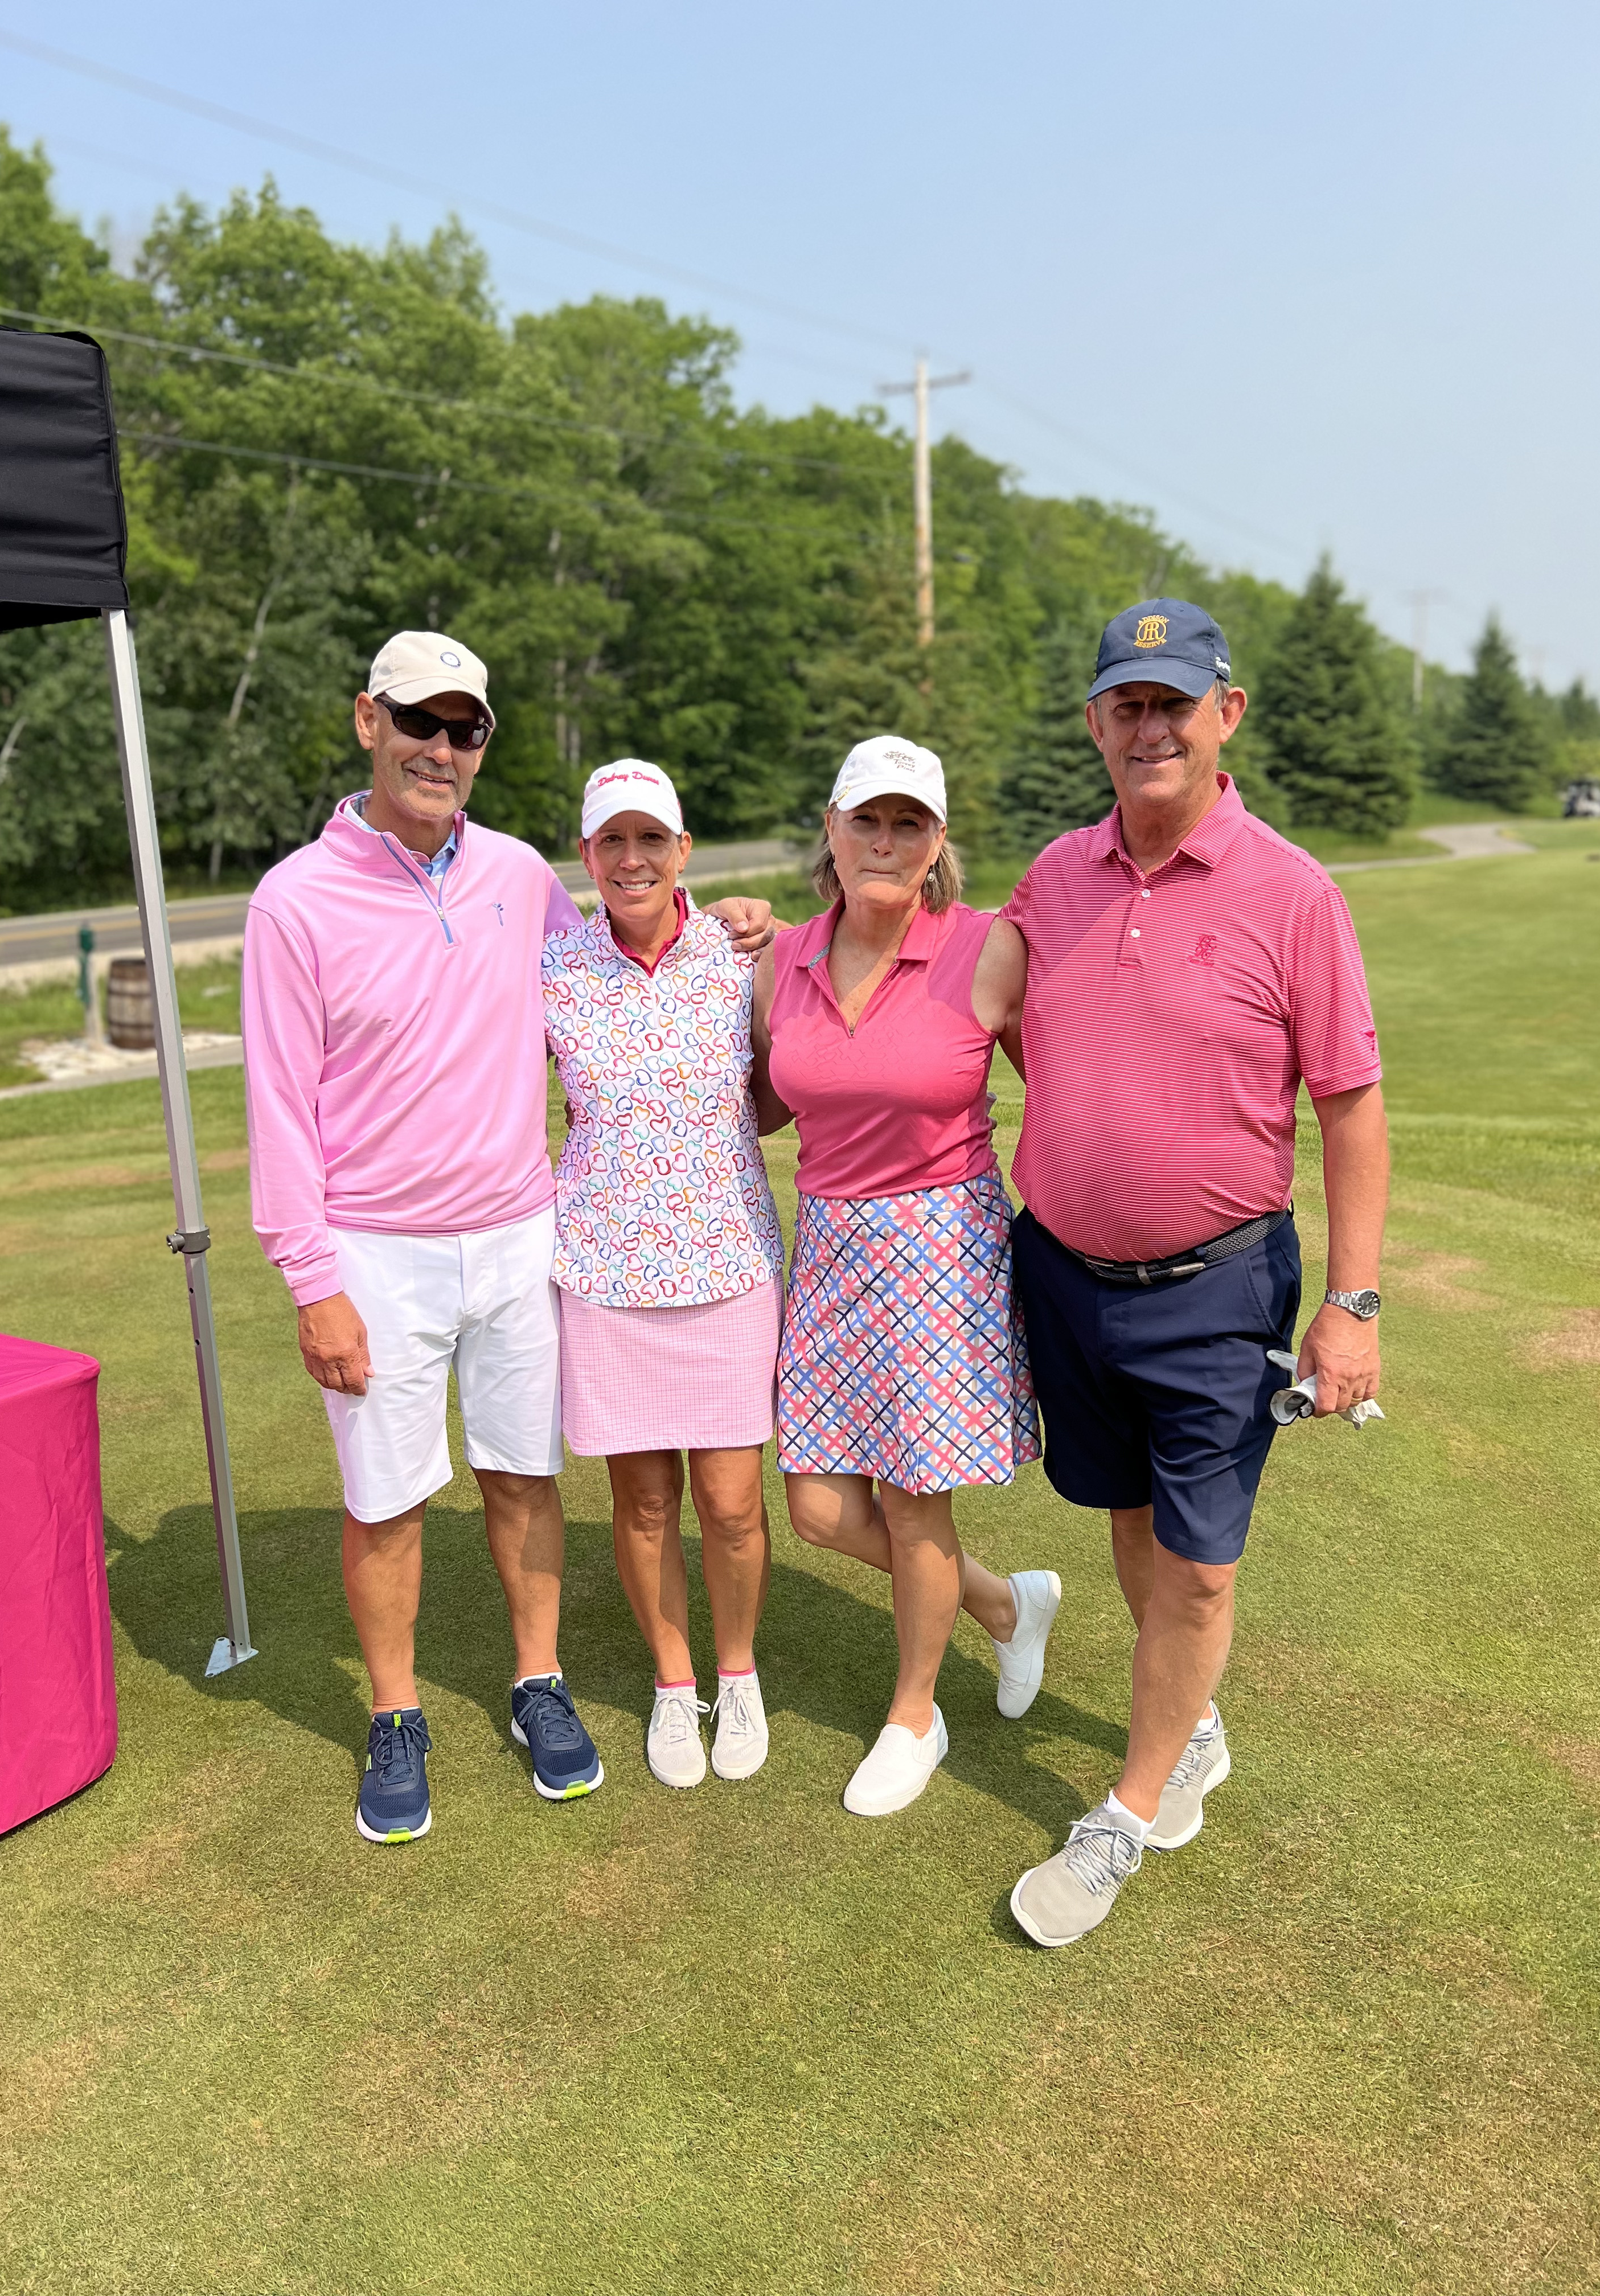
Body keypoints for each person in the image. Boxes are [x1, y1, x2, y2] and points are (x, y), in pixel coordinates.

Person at [242, 633, 774, 1844]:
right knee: (386, 1498)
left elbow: (624, 958)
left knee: (522, 1477)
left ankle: (540, 1684)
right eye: (418, 722)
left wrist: (732, 919)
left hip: (523, 1233)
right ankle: (396, 1715)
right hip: (374, 1249)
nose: (441, 748)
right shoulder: (295, 900)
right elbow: (276, 1107)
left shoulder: (521, 876)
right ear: (368, 722)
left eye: (465, 728)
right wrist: (312, 1282)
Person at [1002, 598, 1388, 1946]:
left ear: (1226, 714)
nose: (1150, 726)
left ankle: (1127, 1810)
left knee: (1201, 1566)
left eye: (1174, 702)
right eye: (1129, 703)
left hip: (1218, 1290)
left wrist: (1353, 1305)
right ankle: (1193, 1724)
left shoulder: (1295, 892)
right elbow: (966, 995)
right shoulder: (1054, 877)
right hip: (1064, 1275)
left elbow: (1351, 1105)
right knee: (1127, 1519)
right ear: (1096, 724)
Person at [753, 736, 1061, 1818]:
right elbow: (772, 1102)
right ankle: (1005, 1605)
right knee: (817, 1508)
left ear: (937, 843)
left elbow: (1063, 1092)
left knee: (912, 1498)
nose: (885, 842)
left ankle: (915, 1715)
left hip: (942, 1248)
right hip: (832, 1249)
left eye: (909, 824)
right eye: (867, 821)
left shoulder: (986, 948)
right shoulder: (781, 959)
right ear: (831, 832)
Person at [542, 760, 785, 1790]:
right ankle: (674, 1684)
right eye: (613, 841)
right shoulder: (555, 966)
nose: (632, 859)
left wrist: (705, 1133)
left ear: (684, 850)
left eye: (652, 839)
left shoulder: (738, 956)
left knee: (731, 1503)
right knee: (643, 1505)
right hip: (605, 1271)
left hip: (728, 1262)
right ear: (587, 854)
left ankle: (738, 1675)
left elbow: (781, 1085)